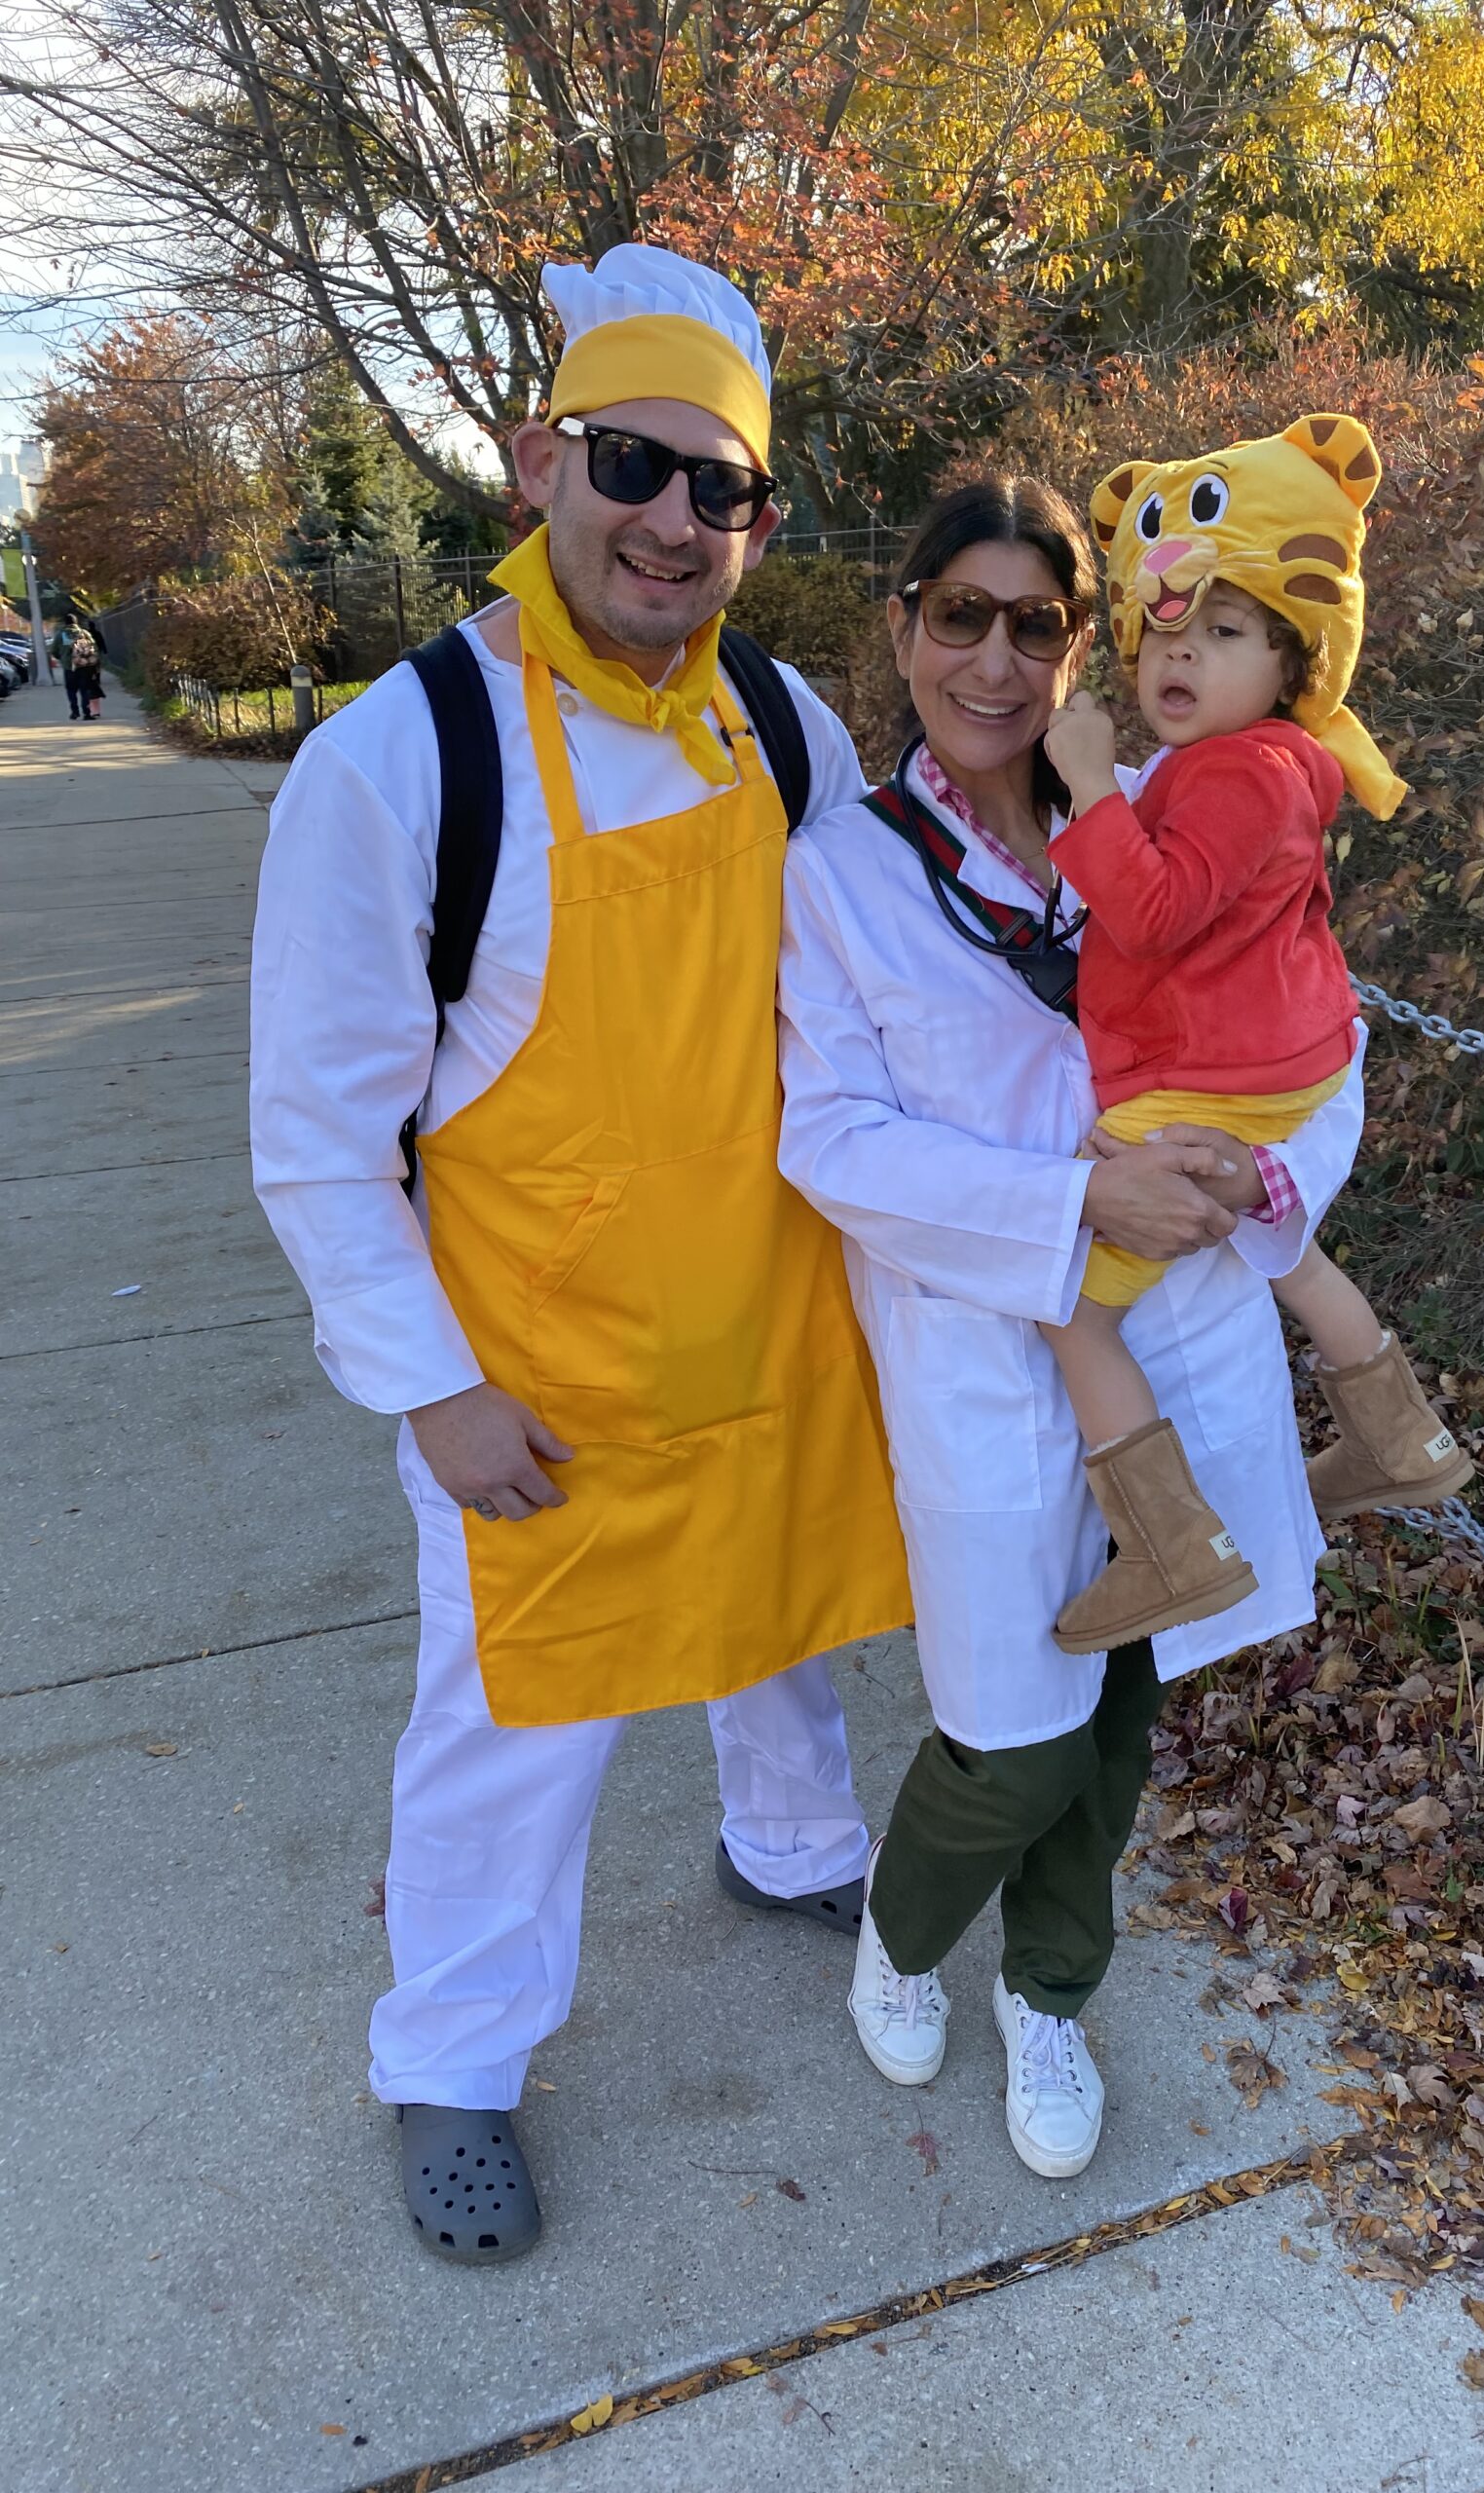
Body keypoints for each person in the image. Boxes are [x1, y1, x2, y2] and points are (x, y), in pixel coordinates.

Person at [251, 243, 909, 2265]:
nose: (672, 521)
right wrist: (429, 1386)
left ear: (758, 523)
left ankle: (789, 1842)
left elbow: (885, 995)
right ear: (540, 461)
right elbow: (316, 1138)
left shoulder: (786, 725)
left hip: (769, 1318)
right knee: (514, 1726)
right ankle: (453, 2054)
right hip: (532, 1377)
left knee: (780, 1611)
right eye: (633, 463)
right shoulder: (401, 760)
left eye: (722, 487)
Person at [776, 476, 1367, 2181]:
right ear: (902, 626)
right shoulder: (840, 875)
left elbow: (1315, 1031)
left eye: (1035, 624)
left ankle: (1050, 1993)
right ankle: (903, 1932)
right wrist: (1073, 1209)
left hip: (1179, 1324)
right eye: (959, 615)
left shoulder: (1184, 807)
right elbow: (834, 1139)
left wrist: (1267, 1176)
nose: (994, 660)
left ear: (1081, 643)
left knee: (1119, 1721)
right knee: (1010, 1736)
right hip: (983, 1347)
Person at [1035, 417, 1473, 1652]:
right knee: (1281, 1242)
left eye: (1227, 632)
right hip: (1275, 1064)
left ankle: (1171, 1545)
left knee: (1066, 1302)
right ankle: (1401, 1436)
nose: (1183, 651)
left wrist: (1085, 780)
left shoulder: (1240, 771)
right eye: (1165, 628)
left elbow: (1153, 909)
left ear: (1291, 661)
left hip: (1208, 1074)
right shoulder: (1258, 764)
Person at [66, 629, 102, 722]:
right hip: (87, 671)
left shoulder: (73, 645)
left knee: (72, 691)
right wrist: (95, 673)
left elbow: (67, 656)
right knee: (85, 692)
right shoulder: (89, 645)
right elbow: (95, 659)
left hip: (73, 670)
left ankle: (75, 711)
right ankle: (86, 713)